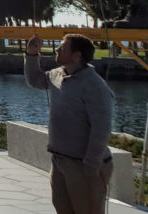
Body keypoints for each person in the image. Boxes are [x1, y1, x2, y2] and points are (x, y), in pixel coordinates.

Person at [25, 34, 114, 214]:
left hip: (84, 165)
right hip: (60, 160)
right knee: (62, 208)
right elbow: (35, 80)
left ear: (77, 55)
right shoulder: (57, 74)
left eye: (63, 47)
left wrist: (91, 166)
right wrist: (31, 55)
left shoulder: (94, 85)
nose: (57, 49)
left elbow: (101, 127)